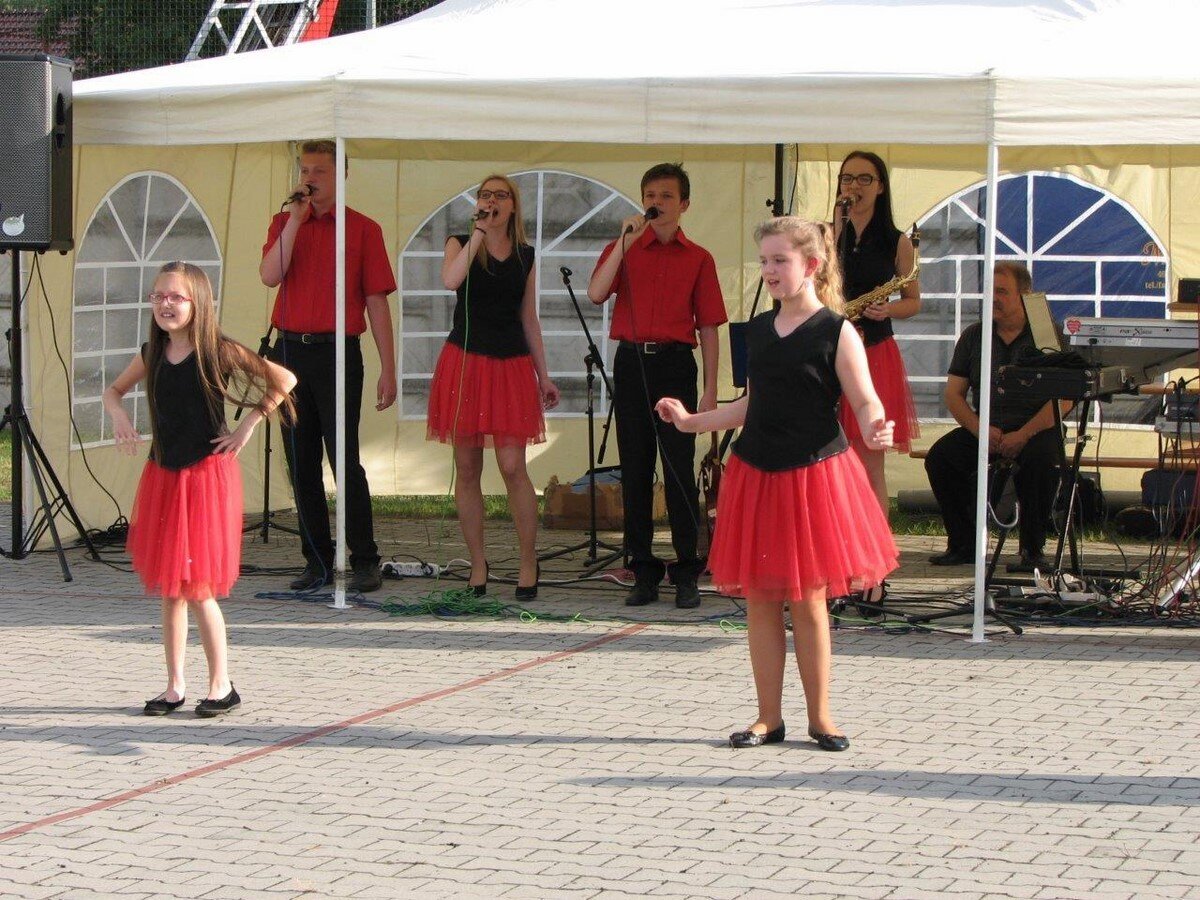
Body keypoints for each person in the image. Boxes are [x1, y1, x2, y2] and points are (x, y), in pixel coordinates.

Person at [656, 216, 898, 751]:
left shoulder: (837, 330)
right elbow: (752, 404)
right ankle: (768, 717)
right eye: (764, 260)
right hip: (757, 474)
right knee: (762, 600)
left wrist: (875, 424)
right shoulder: (759, 331)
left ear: (811, 265)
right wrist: (693, 422)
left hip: (813, 476)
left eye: (779, 260)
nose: (768, 270)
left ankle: (821, 717)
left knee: (808, 601)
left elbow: (864, 399)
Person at [103, 262, 297, 718]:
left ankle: (221, 685)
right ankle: (174, 686)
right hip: (164, 475)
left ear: (199, 303)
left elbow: (284, 380)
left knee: (198, 588)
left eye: (176, 297)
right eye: (158, 296)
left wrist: (248, 425)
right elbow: (113, 391)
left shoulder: (218, 351)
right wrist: (118, 414)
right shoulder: (152, 352)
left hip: (204, 478)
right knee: (171, 589)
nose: (165, 304)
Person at [587, 163, 728, 609]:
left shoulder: (699, 257)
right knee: (635, 468)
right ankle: (643, 569)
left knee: (678, 468)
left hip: (675, 364)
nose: (656, 203)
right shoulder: (624, 247)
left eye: (667, 196)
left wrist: (709, 390)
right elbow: (595, 293)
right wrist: (623, 243)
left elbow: (709, 326)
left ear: (684, 204)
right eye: (650, 195)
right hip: (632, 362)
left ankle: (686, 569)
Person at [259, 139, 397, 593]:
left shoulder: (363, 229)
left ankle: (364, 558)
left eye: (319, 170)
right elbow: (269, 276)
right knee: (300, 460)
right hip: (290, 352)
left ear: (341, 175)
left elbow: (376, 301)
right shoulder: (285, 222)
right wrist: (296, 221)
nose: (309, 178)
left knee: (344, 459)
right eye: (305, 170)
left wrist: (388, 367)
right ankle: (316, 559)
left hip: (338, 350)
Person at [427, 175, 560, 598]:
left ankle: (527, 560)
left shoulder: (525, 255)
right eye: (485, 195)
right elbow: (451, 281)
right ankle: (478, 563)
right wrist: (479, 234)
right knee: (467, 468)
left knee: (512, 466)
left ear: (513, 206)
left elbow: (529, 318)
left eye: (500, 195)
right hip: (466, 362)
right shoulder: (460, 242)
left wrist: (544, 374)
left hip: (511, 366)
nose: (491, 200)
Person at [925, 262, 1065, 569]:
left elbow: (1065, 397)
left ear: (1024, 295)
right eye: (990, 291)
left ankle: (1032, 549)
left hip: (1036, 428)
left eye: (1002, 291)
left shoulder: (1046, 334)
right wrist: (980, 429)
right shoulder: (975, 335)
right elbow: (953, 394)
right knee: (941, 458)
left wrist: (1024, 434)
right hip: (987, 426)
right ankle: (964, 544)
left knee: (1042, 460)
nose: (993, 298)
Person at [833, 151, 921, 516]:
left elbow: (913, 301)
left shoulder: (897, 241)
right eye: (847, 178)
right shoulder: (826, 234)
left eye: (864, 178)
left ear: (880, 187)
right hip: (830, 352)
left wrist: (888, 309)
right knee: (830, 458)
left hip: (874, 352)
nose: (854, 186)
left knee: (869, 458)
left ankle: (875, 547)